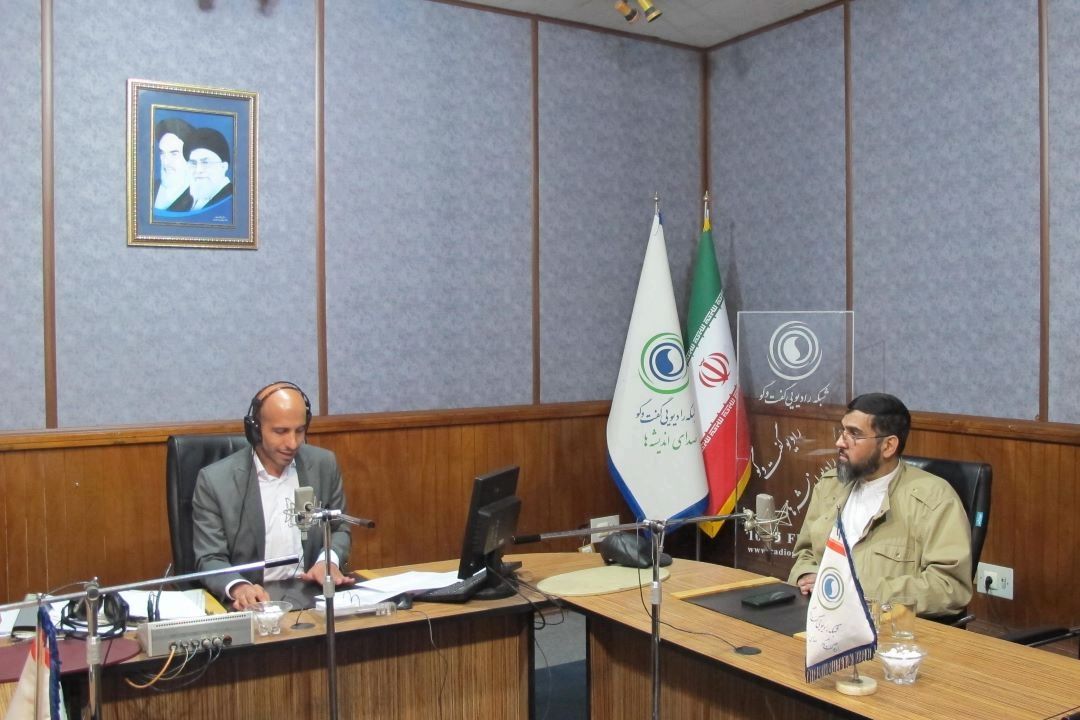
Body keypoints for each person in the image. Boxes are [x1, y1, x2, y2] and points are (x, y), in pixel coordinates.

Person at [787, 393, 972, 617]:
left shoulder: (934, 498)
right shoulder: (830, 486)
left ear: (888, 446)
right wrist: (806, 575)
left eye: (854, 434)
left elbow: (949, 587)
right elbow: (805, 552)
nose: (840, 442)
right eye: (842, 431)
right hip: (820, 616)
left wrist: (857, 590)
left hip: (890, 626)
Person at [192, 381, 354, 610]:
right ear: (255, 430)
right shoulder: (215, 481)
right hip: (255, 604)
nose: (292, 443)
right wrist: (239, 587)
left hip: (313, 598)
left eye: (300, 431)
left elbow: (339, 528)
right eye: (280, 432)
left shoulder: (323, 464)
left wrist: (327, 561)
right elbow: (210, 558)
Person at [183, 126, 233, 211]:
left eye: (205, 162)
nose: (198, 170)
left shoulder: (231, 199)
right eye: (193, 163)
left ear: (223, 167)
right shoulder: (188, 201)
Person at [153, 118, 194, 212]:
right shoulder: (151, 188)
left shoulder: (198, 198)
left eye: (174, 153)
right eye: (162, 153)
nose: (165, 161)